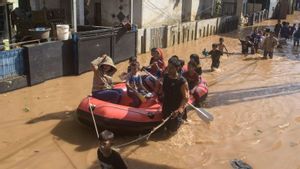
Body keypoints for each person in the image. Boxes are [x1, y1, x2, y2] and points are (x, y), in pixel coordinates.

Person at [162, 56, 189, 133]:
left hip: (176, 108)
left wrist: (179, 109)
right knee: (166, 128)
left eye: (171, 68)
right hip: (166, 106)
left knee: (172, 131)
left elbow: (185, 98)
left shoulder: (182, 81)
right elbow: (164, 91)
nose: (169, 70)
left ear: (177, 68)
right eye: (168, 67)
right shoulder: (166, 77)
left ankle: (181, 121)